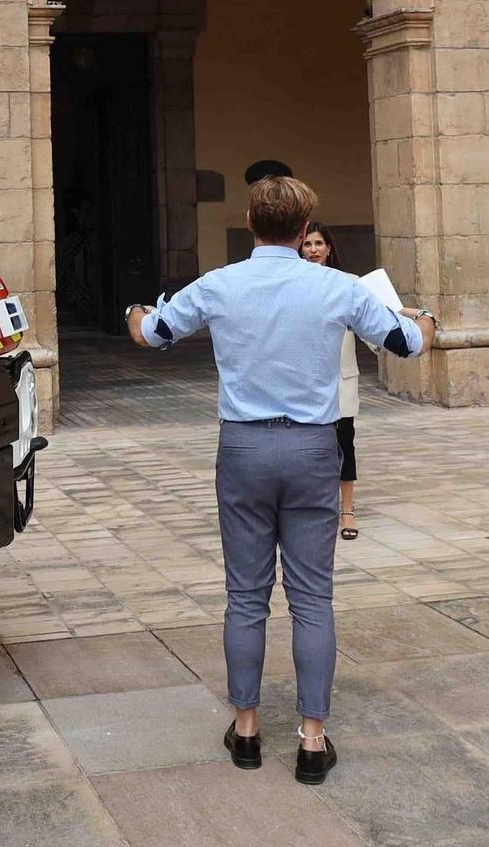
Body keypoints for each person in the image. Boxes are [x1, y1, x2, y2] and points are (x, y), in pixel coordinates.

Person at [124, 177, 435, 784]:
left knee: (245, 595)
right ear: (304, 227)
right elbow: (408, 342)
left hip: (242, 446)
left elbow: (153, 333)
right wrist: (424, 316)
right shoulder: (336, 286)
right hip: (313, 447)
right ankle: (312, 739)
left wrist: (134, 311)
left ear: (249, 219)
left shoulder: (219, 283)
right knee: (313, 597)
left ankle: (245, 730)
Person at [300, 223, 361, 539]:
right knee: (307, 447)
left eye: (318, 243)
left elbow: (377, 316)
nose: (313, 249)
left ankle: (347, 510)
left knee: (343, 445)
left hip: (340, 380)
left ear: (329, 248)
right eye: (307, 243)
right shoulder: (292, 285)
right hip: (303, 381)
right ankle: (312, 508)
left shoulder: (348, 284)